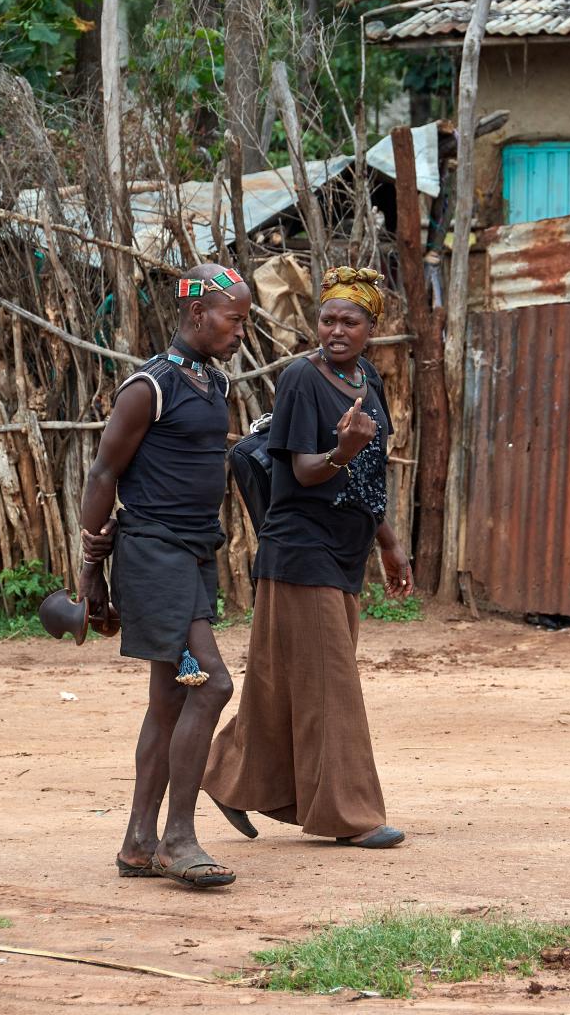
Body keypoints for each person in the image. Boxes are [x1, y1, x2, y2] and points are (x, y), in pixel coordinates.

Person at [203, 266, 414, 848]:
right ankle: (350, 815)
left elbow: (369, 478)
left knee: (289, 682)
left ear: (372, 327)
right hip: (300, 547)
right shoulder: (300, 378)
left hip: (344, 553)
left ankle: (226, 774)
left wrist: (389, 544)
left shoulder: (367, 378)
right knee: (331, 685)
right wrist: (342, 448)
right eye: (328, 319)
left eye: (350, 321)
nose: (336, 330)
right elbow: (302, 471)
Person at [79, 263, 251, 888]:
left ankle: (137, 844)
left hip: (194, 556)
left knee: (169, 698)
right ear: (197, 313)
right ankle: (178, 839)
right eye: (234, 319)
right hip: (154, 556)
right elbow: (103, 475)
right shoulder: (147, 388)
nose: (240, 331)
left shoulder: (214, 384)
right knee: (208, 685)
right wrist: (93, 571)